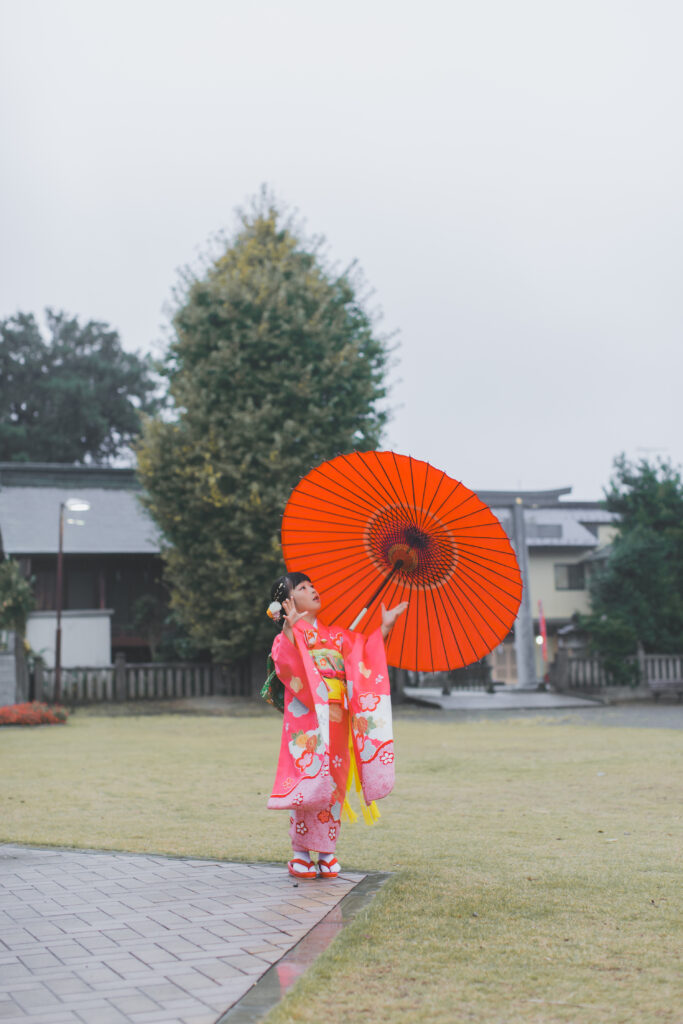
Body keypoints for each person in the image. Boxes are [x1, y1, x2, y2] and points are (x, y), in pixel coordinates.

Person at [266, 572, 407, 880]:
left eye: (312, 585)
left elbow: (364, 652)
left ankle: (327, 851)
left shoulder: (336, 636)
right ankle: (301, 853)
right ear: (288, 601)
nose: (313, 590)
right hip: (307, 721)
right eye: (303, 588)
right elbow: (285, 664)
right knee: (308, 779)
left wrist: (384, 626)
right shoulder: (289, 635)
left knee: (334, 780)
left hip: (337, 720)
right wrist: (290, 631)